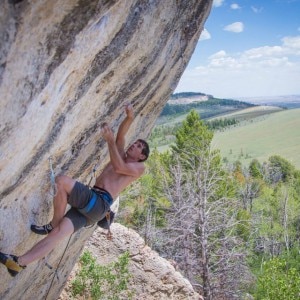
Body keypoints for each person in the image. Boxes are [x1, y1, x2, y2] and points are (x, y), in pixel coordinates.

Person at [0, 104, 150, 277]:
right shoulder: (121, 154)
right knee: (58, 234)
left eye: (139, 146)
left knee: (61, 182)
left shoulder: (138, 167)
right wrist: (129, 117)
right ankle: (18, 263)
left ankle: (54, 223)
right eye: (136, 143)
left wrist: (109, 141)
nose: (134, 145)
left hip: (98, 202)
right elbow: (122, 135)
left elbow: (118, 167)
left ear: (142, 156)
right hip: (93, 208)